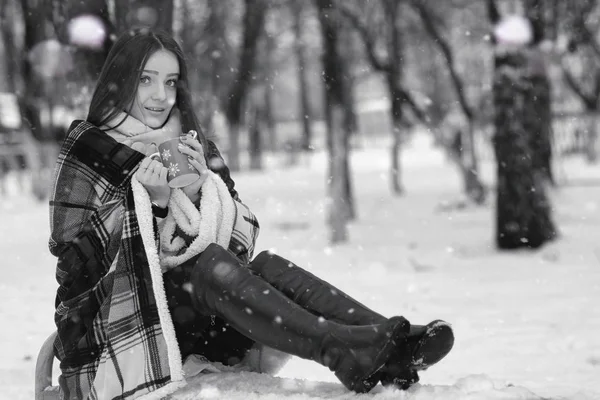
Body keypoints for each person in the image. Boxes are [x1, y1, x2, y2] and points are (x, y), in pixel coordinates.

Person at [49, 29, 454, 400]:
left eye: (170, 81)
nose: (160, 95)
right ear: (120, 80)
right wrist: (151, 207)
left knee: (269, 266)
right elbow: (75, 268)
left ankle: (393, 345)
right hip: (120, 330)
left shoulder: (190, 145)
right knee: (208, 267)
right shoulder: (90, 149)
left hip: (202, 326)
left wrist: (198, 189)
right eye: (146, 79)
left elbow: (244, 237)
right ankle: (347, 350)